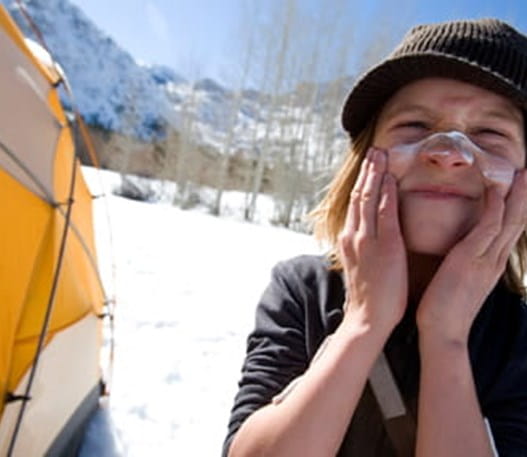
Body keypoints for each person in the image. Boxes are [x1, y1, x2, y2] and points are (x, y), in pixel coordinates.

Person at [223, 18, 527, 457]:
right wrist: (363, 324)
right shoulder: (304, 291)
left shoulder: (517, 336)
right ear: (365, 159)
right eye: (415, 125)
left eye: (490, 134)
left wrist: (446, 337)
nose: (446, 154)